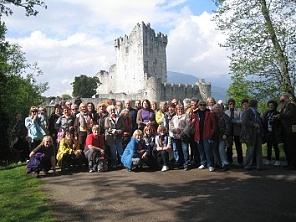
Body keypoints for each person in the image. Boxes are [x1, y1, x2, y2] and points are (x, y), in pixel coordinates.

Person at [191, 100, 217, 172]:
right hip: (198, 135)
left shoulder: (209, 113)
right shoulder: (195, 114)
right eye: (201, 105)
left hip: (207, 135)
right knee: (201, 150)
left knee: (208, 150)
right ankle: (203, 163)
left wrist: (211, 132)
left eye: (203, 105)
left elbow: (214, 124)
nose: (202, 106)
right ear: (198, 106)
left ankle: (210, 165)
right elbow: (191, 123)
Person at [241, 99, 263, 171]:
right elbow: (244, 121)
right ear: (255, 104)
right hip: (250, 134)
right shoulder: (247, 112)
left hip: (257, 133)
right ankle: (247, 165)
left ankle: (259, 165)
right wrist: (253, 124)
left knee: (258, 149)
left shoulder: (256, 112)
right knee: (250, 149)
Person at [275, 94, 296, 170]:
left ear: (287, 99)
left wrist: (280, 115)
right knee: (286, 147)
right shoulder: (283, 108)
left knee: (292, 147)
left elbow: (291, 115)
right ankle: (289, 163)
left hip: (291, 130)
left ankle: (293, 164)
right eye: (280, 101)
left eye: (283, 100)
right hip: (284, 130)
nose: (282, 102)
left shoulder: (291, 105)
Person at [169, 104, 190, 170]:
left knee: (185, 150)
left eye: (181, 109)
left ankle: (186, 164)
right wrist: (175, 130)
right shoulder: (174, 117)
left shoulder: (186, 116)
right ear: (176, 110)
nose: (180, 110)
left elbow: (188, 125)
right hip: (176, 136)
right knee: (178, 150)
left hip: (184, 136)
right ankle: (181, 163)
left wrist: (183, 132)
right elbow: (171, 125)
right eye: (178, 109)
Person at [104, 105, 124, 169]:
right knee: (113, 152)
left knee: (120, 151)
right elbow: (106, 128)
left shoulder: (120, 118)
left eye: (113, 110)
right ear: (109, 111)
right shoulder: (107, 119)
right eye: (111, 110)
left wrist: (119, 130)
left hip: (119, 137)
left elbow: (123, 126)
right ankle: (114, 164)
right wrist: (112, 131)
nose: (112, 111)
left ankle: (123, 163)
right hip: (111, 137)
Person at [224, 98, 244, 166]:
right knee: (229, 147)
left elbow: (242, 121)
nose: (231, 105)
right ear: (228, 105)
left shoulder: (239, 111)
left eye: (233, 104)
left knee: (238, 146)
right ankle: (229, 160)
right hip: (229, 132)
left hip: (237, 131)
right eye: (230, 104)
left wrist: (235, 121)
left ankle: (240, 161)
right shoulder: (226, 112)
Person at [262, 100, 281, 166]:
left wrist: (275, 119)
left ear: (275, 106)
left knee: (275, 146)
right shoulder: (266, 113)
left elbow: (279, 123)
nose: (270, 107)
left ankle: (277, 160)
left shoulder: (277, 113)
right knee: (269, 146)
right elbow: (263, 121)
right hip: (268, 132)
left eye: (272, 105)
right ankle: (268, 160)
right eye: (269, 105)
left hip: (274, 132)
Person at [212, 103, 231, 170]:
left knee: (221, 150)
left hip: (222, 136)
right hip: (214, 136)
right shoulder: (212, 116)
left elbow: (228, 126)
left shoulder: (225, 116)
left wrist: (226, 134)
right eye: (216, 108)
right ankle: (218, 163)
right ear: (213, 109)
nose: (217, 109)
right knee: (215, 150)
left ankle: (225, 164)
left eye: (219, 107)